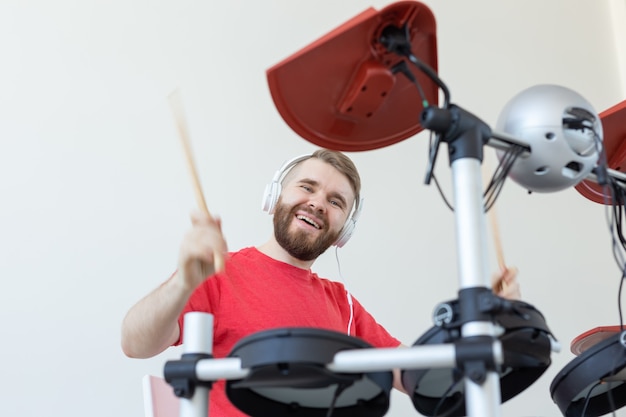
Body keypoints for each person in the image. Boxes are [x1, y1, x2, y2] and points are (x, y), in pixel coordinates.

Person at [121, 149, 520, 416]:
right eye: (307, 188)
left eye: (335, 201)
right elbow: (135, 343)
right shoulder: (218, 273)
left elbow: (417, 377)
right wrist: (181, 285)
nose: (317, 203)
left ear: (344, 230)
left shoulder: (342, 305)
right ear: (275, 197)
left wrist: (492, 322)